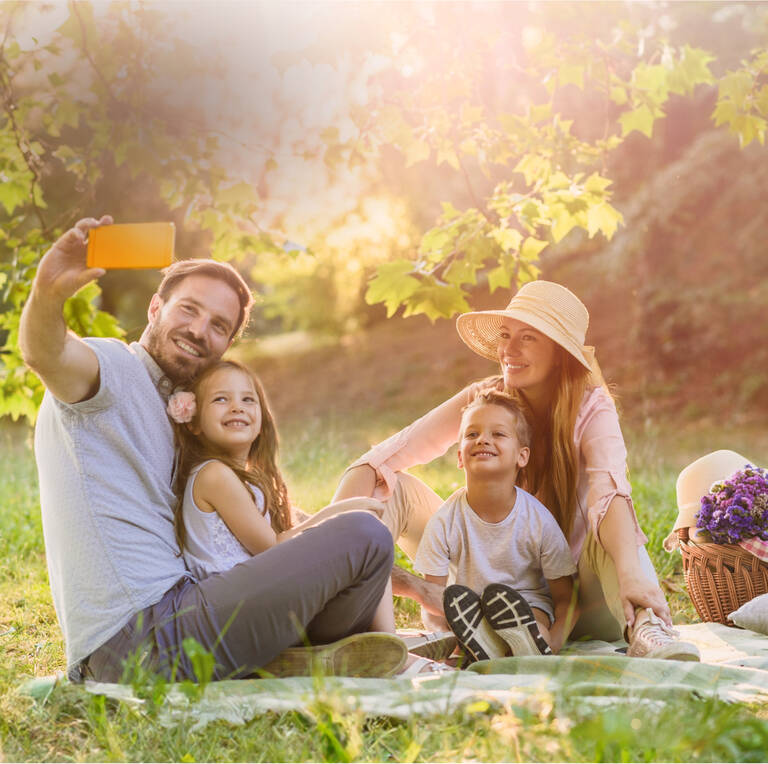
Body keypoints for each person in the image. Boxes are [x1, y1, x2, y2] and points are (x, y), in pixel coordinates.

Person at [19, 215, 405, 683]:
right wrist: (48, 292)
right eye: (188, 309)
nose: (200, 330)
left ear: (226, 345)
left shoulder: (186, 413)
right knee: (363, 535)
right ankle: (315, 652)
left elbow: (258, 517)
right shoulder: (113, 370)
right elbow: (47, 353)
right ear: (155, 308)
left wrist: (407, 583)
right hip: (142, 635)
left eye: (219, 325)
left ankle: (304, 657)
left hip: (183, 616)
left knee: (361, 548)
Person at [334, 280, 700, 661]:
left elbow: (610, 493)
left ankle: (647, 628)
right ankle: (360, 627)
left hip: (576, 598)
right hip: (491, 593)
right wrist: (331, 545)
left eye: (528, 338)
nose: (509, 350)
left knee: (614, 528)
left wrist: (631, 573)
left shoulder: (591, 408)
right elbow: (380, 460)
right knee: (395, 489)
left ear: (559, 353)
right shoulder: (485, 400)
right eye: (506, 335)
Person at [414, 390, 578, 661]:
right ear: (459, 456)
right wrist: (446, 637)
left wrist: (555, 644)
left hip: (527, 605)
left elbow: (566, 599)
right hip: (469, 612)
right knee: (454, 624)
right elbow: (432, 600)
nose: (483, 439)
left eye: (498, 434)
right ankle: (481, 645)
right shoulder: (444, 521)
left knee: (535, 625)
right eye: (472, 434)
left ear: (521, 456)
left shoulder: (538, 521)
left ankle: (529, 649)